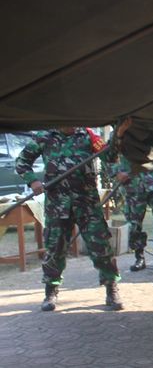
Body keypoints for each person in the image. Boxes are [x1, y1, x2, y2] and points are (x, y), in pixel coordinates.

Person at [15, 126, 123, 311]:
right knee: (55, 247)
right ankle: (50, 291)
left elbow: (109, 157)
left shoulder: (89, 136)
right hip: (58, 204)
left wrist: (118, 136)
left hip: (87, 202)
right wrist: (33, 181)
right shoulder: (45, 137)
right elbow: (21, 162)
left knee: (100, 245)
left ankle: (111, 288)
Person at [112, 157, 153, 272]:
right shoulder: (120, 138)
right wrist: (117, 172)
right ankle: (139, 257)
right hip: (133, 186)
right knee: (134, 226)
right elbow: (109, 155)